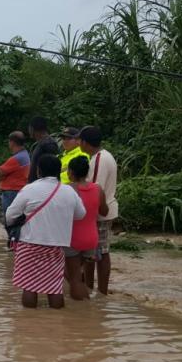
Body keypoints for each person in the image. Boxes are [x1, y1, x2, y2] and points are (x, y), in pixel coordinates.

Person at [5, 154, 86, 309]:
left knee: (29, 286)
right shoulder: (68, 191)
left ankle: (28, 320)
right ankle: (56, 320)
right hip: (57, 245)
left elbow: (10, 215)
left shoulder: (29, 189)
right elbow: (80, 214)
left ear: (38, 171)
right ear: (58, 171)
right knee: (54, 286)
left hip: (30, 243)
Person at [79, 126, 118, 295]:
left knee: (101, 252)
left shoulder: (99, 159)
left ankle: (101, 291)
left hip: (100, 213)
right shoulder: (102, 156)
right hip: (103, 210)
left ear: (85, 143)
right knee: (94, 251)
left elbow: (95, 188)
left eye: (80, 141)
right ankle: (90, 287)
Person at [64, 156, 108, 301]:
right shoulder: (98, 188)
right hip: (91, 240)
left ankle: (85, 308)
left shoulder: (68, 189)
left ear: (70, 172)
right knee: (75, 274)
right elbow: (104, 212)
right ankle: (85, 296)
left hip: (73, 239)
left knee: (72, 276)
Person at [0, 131, 30, 244]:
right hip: (18, 191)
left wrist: (4, 176)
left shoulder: (16, 159)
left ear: (12, 142)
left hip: (12, 193)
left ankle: (14, 244)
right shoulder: (25, 155)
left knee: (10, 220)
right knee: (17, 220)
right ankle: (16, 243)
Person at [27, 117, 58, 183]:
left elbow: (50, 168)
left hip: (43, 185)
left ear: (32, 129)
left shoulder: (48, 144)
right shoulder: (39, 144)